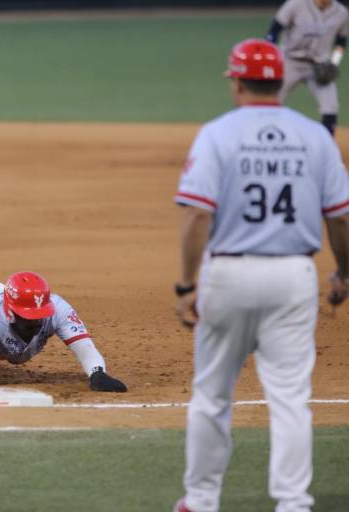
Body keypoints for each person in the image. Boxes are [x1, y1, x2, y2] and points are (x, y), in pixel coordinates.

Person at [172, 39, 349, 512]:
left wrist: (187, 285)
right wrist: (345, 274)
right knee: (291, 398)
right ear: (279, 83)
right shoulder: (316, 137)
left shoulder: (217, 134)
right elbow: (340, 217)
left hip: (228, 275)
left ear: (237, 82)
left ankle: (202, 500)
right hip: (295, 277)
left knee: (211, 395)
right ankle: (293, 503)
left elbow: (195, 217)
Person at [265, 0, 349, 135]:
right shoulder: (295, 5)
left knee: (331, 106)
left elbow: (341, 43)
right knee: (271, 99)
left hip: (320, 65)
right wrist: (272, 57)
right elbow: (273, 33)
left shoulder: (342, 13)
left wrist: (334, 62)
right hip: (290, 62)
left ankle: (327, 144)